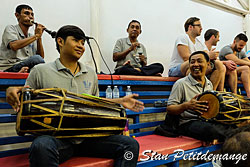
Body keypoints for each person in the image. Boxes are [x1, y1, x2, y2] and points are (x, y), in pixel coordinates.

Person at [6, 25, 144, 167]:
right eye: (76, 41)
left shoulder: (90, 73)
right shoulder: (40, 71)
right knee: (41, 146)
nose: (81, 46)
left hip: (88, 139)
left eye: (83, 43)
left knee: (130, 145)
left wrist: (119, 101)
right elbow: (25, 94)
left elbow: (93, 102)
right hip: (58, 140)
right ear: (60, 41)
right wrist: (13, 89)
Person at [165, 51, 237, 142]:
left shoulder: (209, 84)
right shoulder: (181, 84)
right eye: (192, 62)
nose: (195, 65)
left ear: (208, 65)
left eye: (199, 61)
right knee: (210, 131)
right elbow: (170, 108)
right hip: (187, 123)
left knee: (233, 125)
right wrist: (186, 106)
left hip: (204, 121)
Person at [168, 17, 225, 91]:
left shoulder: (199, 43)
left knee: (219, 64)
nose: (201, 28)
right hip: (176, 69)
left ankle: (211, 93)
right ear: (190, 27)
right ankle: (193, 93)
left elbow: (206, 56)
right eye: (199, 26)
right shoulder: (183, 37)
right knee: (193, 64)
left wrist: (212, 57)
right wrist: (208, 56)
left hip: (190, 66)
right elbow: (186, 57)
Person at [0, 4, 45, 73]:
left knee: (46, 66)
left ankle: (23, 71)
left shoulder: (31, 37)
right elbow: (14, 46)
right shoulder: (11, 28)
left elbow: (41, 58)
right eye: (26, 13)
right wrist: (36, 36)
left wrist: (39, 38)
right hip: (10, 67)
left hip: (25, 66)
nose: (30, 17)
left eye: (32, 15)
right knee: (36, 59)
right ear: (17, 15)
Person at [204, 29, 237, 93]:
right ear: (213, 37)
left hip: (212, 68)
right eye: (218, 37)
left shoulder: (211, 49)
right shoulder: (202, 48)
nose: (219, 39)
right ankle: (219, 93)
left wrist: (226, 62)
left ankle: (235, 94)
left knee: (232, 69)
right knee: (222, 67)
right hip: (206, 70)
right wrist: (225, 62)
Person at [219, 33, 250, 98]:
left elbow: (247, 61)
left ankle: (248, 94)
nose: (242, 48)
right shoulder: (226, 49)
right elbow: (236, 61)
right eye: (241, 45)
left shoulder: (240, 52)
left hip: (235, 72)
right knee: (245, 68)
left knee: (246, 68)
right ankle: (235, 95)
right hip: (225, 73)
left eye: (243, 46)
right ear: (234, 42)